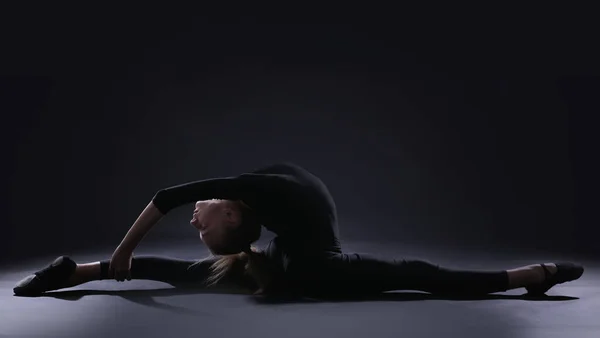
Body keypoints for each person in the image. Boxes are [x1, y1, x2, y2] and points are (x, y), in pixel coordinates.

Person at [13, 162, 584, 298]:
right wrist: (121, 254)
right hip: (304, 262)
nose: (195, 217)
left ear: (233, 213)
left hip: (309, 267)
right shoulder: (260, 189)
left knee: (418, 275)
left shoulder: (254, 188)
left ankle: (529, 275)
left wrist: (124, 248)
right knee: (418, 273)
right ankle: (531, 275)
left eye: (203, 217)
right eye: (199, 221)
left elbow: (166, 197)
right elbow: (174, 202)